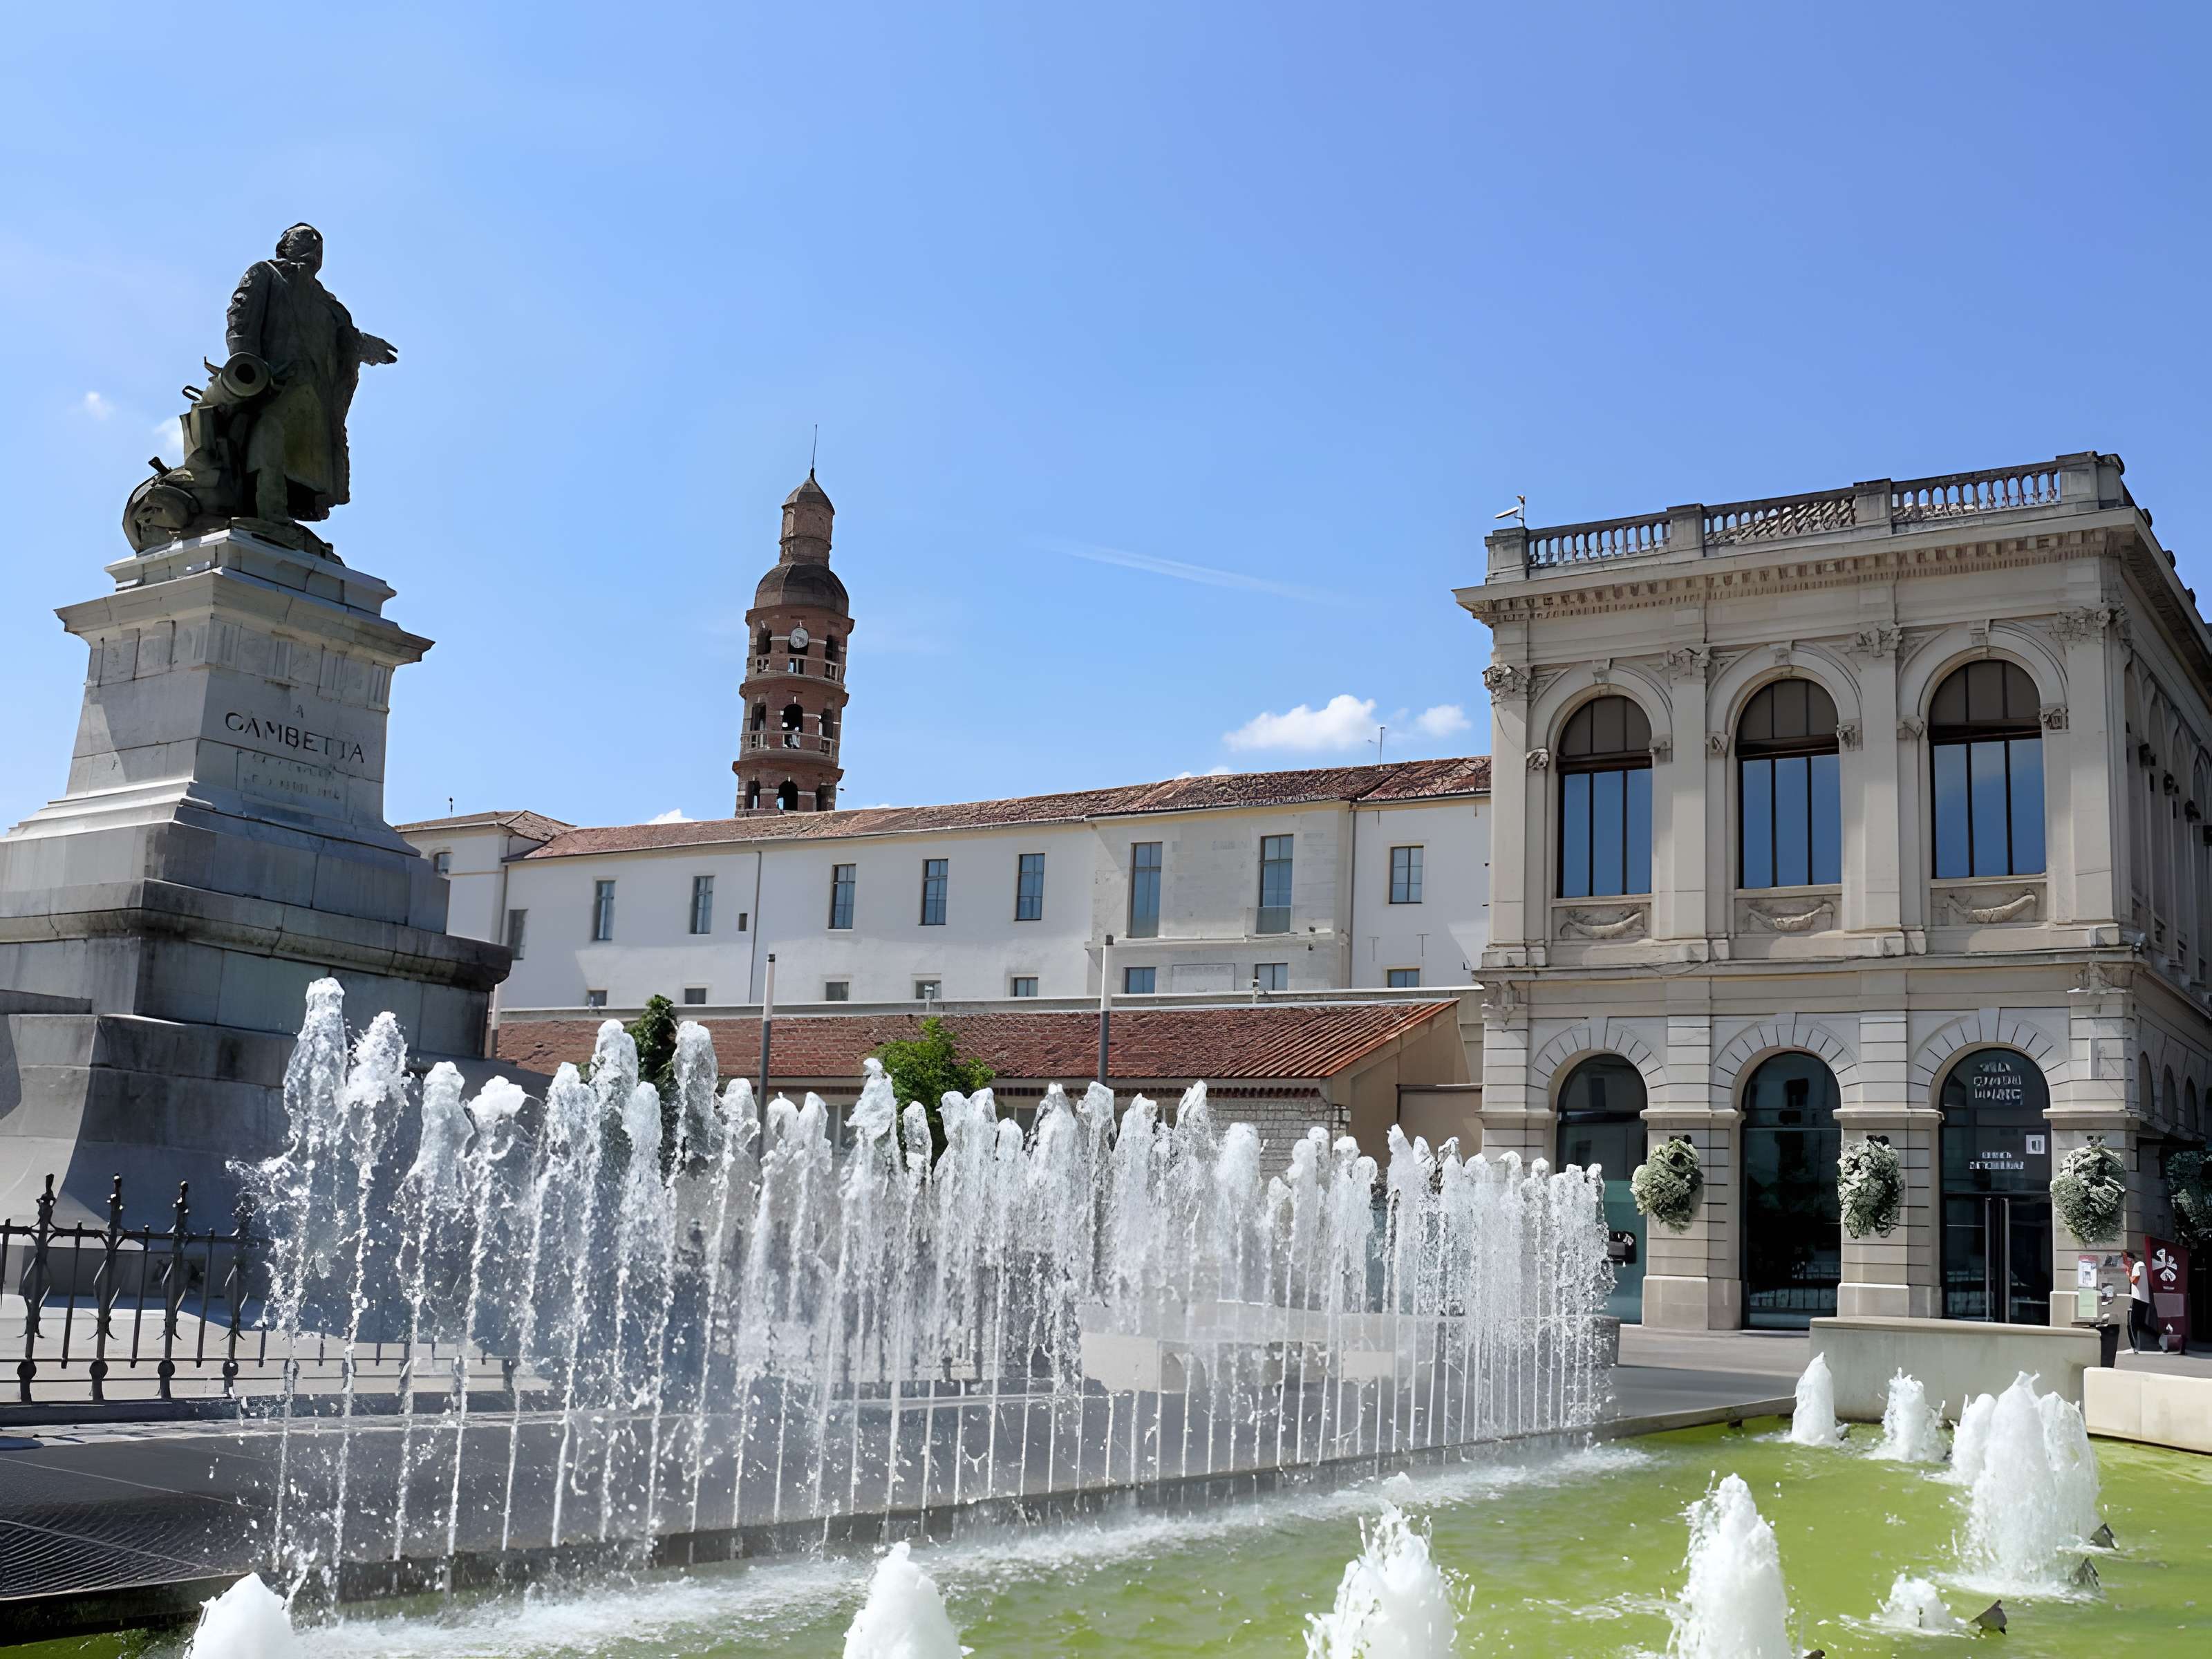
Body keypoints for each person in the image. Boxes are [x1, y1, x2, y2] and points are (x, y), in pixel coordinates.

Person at [2125, 1248, 2155, 1353]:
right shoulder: (2140, 1265)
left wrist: (2128, 1273)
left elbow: (2135, 1281)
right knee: (2140, 1324)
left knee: (2133, 1323)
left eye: (2125, 1259)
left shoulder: (2138, 1265)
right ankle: (2160, 1337)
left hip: (2138, 1298)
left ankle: (2134, 1346)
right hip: (2142, 1298)